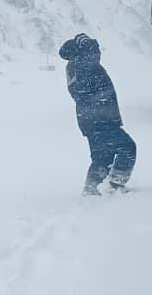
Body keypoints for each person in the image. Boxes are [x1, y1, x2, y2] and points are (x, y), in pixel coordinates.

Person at [58, 33, 137, 195]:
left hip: (95, 120)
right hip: (99, 120)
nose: (97, 54)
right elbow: (82, 93)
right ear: (83, 51)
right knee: (128, 148)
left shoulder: (81, 66)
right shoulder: (81, 67)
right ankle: (114, 185)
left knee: (102, 157)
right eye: (93, 50)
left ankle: (92, 188)